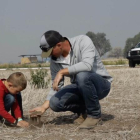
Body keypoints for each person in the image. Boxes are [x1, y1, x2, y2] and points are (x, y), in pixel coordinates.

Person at [30, 30, 113, 129]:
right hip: (80, 87)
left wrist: (62, 72)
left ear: (59, 45)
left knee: (82, 76)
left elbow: (87, 65)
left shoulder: (83, 41)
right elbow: (56, 85)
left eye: (50, 51)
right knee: (54, 103)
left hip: (101, 85)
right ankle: (84, 112)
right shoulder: (55, 61)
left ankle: (94, 115)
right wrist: (44, 107)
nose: (49, 55)